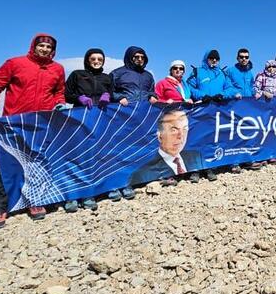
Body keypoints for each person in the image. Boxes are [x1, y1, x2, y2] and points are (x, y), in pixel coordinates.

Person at [0, 33, 66, 228]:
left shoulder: (58, 69)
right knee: (9, 162)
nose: (44, 49)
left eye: (49, 47)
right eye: (41, 45)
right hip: (15, 121)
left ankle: (35, 200)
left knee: (37, 161)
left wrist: (60, 102)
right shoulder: (15, 63)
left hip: (41, 122)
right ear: (34, 46)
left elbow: (59, 91)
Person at [63, 48, 114, 211]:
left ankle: (96, 190)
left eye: (100, 59)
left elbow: (113, 94)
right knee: (80, 154)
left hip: (101, 119)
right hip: (81, 118)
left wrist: (108, 96)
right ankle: (74, 194)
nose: (97, 61)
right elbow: (66, 94)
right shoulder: (77, 75)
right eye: (93, 59)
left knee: (100, 153)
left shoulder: (107, 78)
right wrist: (79, 98)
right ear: (87, 60)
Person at [109, 46, 157, 200]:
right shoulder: (117, 73)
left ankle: (135, 179)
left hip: (142, 118)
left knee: (139, 147)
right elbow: (109, 91)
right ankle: (119, 183)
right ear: (129, 57)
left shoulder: (148, 75)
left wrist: (152, 96)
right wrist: (118, 97)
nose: (140, 59)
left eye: (142, 57)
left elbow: (151, 90)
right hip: (123, 118)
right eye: (136, 57)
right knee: (121, 149)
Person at [129, 108, 202, 186]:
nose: (181, 136)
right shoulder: (142, 175)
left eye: (184, 129)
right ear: (160, 136)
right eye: (174, 130)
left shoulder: (196, 157)